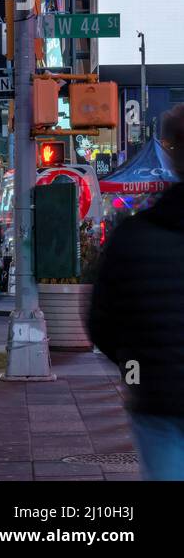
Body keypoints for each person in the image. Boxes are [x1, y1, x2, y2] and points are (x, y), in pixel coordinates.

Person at [89, 104, 184, 480]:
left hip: (158, 401)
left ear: (173, 152)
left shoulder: (134, 236)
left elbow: (103, 324)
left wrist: (137, 373)